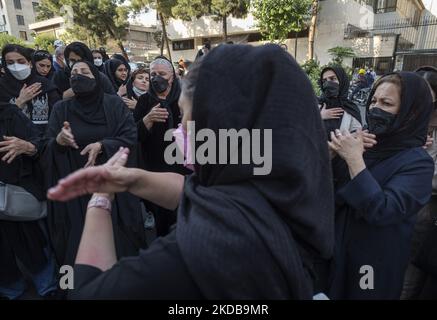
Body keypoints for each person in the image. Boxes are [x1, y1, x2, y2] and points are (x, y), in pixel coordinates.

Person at [47, 44, 335, 300]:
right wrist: (133, 179)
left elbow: (87, 290)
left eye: (185, 114)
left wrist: (100, 199)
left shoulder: (196, 252)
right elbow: (199, 193)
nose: (180, 126)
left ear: (218, 124)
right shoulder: (291, 192)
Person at [326, 72, 435, 299]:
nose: (375, 109)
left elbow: (383, 210)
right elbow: (327, 189)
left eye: (386, 103)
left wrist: (355, 159)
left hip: (371, 265)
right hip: (337, 251)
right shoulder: (365, 143)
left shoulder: (418, 162)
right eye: (373, 101)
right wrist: (333, 153)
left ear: (410, 112)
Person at [42, 61, 147, 275]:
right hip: (76, 189)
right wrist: (59, 141)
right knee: (78, 243)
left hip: (112, 186)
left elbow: (129, 136)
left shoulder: (114, 104)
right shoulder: (61, 109)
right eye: (74, 73)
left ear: (97, 77)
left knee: (119, 242)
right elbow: (46, 145)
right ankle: (79, 287)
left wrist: (102, 145)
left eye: (84, 72)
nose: (78, 76)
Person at [0, 102, 57, 299]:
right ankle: (11, 289)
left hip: (18, 191)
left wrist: (27, 147)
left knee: (33, 243)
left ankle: (48, 286)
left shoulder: (10, 114)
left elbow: (40, 144)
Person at [134, 56, 191, 237]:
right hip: (156, 166)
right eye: (153, 74)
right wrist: (147, 120)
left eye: (162, 74)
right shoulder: (144, 102)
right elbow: (134, 135)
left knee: (186, 214)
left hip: (183, 166)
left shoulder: (185, 98)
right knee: (163, 218)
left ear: (172, 76)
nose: (157, 78)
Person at [402, 66, 437, 300]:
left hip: (425, 207)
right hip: (397, 202)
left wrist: (418, 160)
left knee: (410, 268)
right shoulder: (405, 114)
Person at [0, 44, 61, 135]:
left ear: (30, 63)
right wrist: (19, 103)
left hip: (44, 143)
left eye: (21, 62)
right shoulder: (1, 87)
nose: (16, 66)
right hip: (12, 144)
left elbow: (58, 117)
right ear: (5, 65)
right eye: (10, 63)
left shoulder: (44, 84)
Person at [319, 66, 362, 137]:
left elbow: (357, 136)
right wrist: (319, 116)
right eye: (324, 81)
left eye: (332, 79)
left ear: (342, 81)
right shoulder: (316, 104)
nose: (328, 83)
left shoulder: (351, 108)